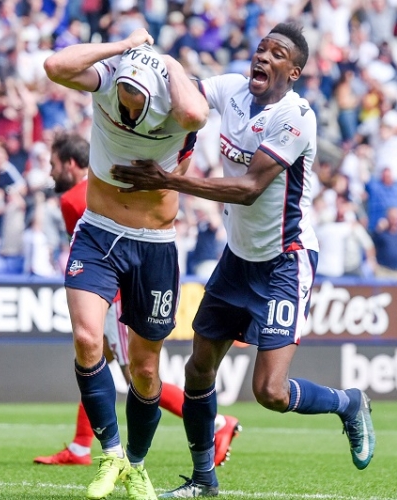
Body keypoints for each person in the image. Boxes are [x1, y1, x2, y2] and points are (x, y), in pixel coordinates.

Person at [111, 22, 376, 498]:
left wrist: (168, 180)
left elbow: (249, 189)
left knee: (270, 392)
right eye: (261, 49)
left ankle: (348, 403)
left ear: (293, 72)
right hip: (237, 258)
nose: (263, 57)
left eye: (277, 54)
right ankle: (203, 480)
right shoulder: (232, 89)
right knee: (198, 370)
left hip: (285, 261)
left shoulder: (295, 117)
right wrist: (149, 69)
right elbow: (184, 95)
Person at [42, 28, 210, 500]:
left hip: (154, 243)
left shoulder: (175, 103)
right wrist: (122, 48)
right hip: (98, 232)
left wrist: (167, 62)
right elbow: (55, 66)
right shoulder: (109, 80)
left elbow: (197, 114)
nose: (127, 109)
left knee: (145, 370)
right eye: (123, 98)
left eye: (137, 102)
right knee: (87, 338)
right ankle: (110, 453)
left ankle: (136, 464)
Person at [33, 132, 241, 469]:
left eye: (54, 164)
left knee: (135, 376)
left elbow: (100, 252)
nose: (51, 172)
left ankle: (217, 423)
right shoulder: (110, 181)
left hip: (114, 297)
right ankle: (81, 445)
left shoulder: (75, 199)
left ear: (71, 164)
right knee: (96, 361)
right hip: (127, 285)